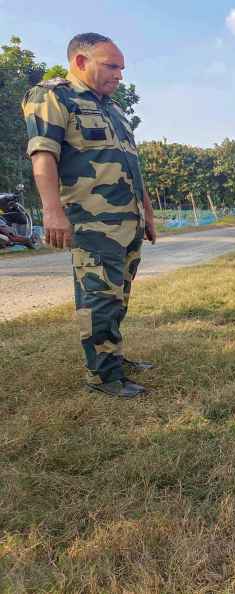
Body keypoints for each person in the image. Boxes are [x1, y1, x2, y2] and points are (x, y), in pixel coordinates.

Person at [22, 33, 156, 398]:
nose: (120, 75)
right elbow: (43, 154)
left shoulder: (114, 109)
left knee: (118, 295)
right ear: (81, 62)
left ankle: (112, 356)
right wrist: (52, 209)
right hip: (92, 220)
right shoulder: (53, 96)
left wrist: (147, 212)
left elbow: (131, 164)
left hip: (128, 221)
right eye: (111, 66)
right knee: (98, 296)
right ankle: (103, 377)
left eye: (122, 68)